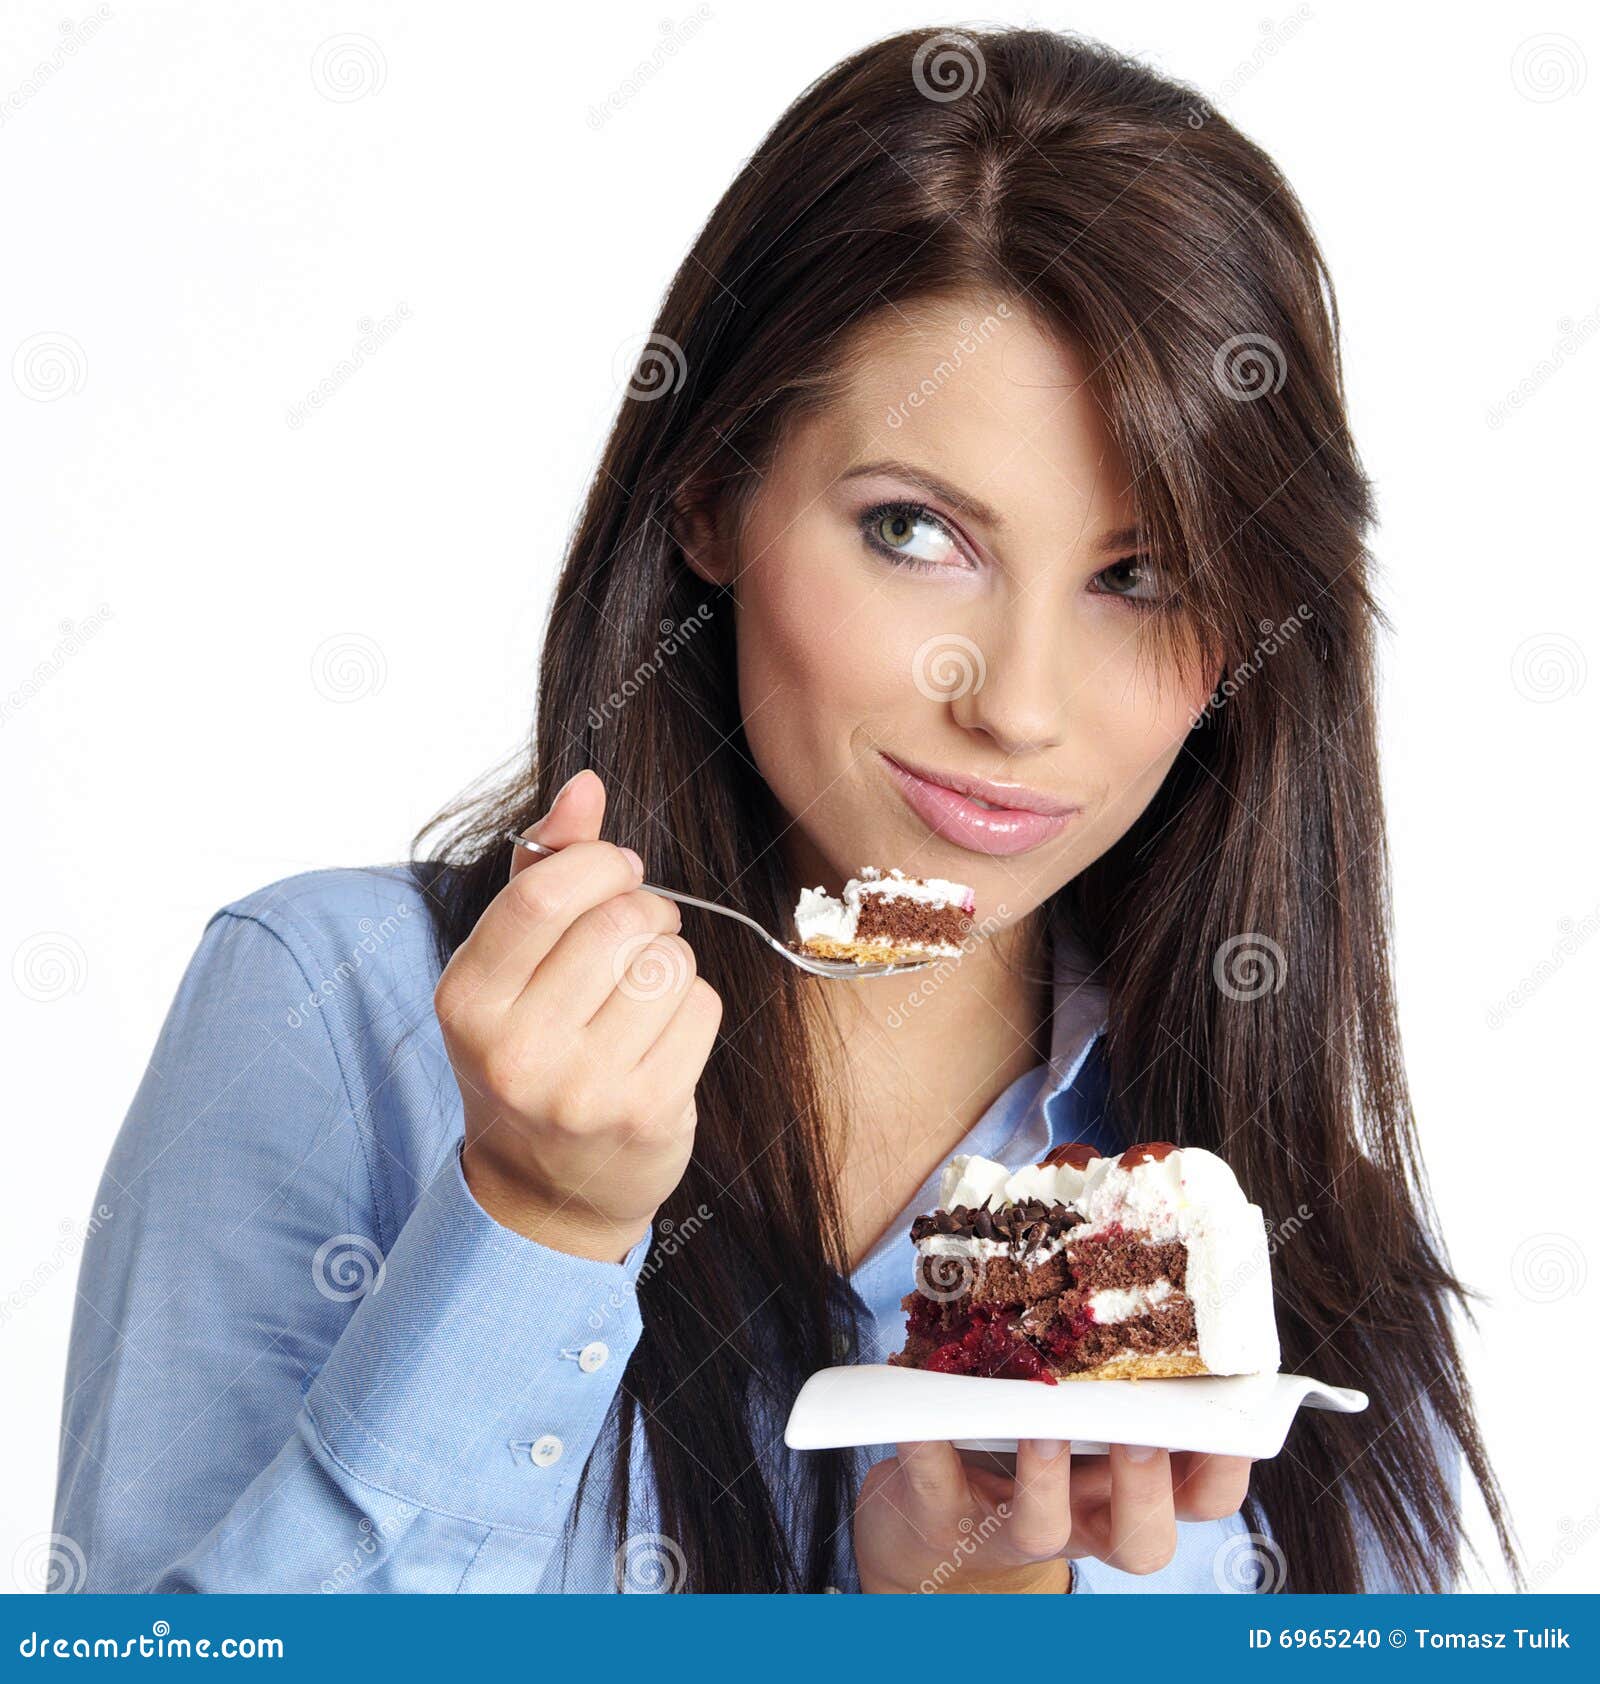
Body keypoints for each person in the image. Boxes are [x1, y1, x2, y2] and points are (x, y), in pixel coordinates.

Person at [54, 25, 1518, 1593]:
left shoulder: (1299, 1248)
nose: (1018, 706)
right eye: (915, 532)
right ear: (711, 493)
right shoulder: (335, 1014)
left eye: (1140, 575)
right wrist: (528, 1226)